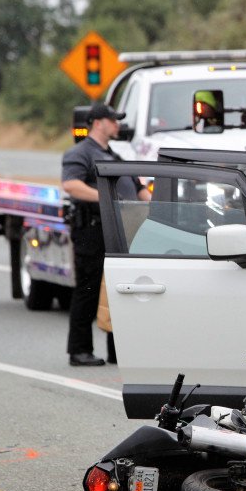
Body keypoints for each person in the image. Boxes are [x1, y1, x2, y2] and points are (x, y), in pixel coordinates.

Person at [61, 102, 149, 366]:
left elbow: (138, 187)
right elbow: (71, 184)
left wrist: (159, 207)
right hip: (92, 230)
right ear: (98, 123)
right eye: (113, 120)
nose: (117, 125)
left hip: (119, 231)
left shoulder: (114, 156)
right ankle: (79, 351)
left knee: (117, 291)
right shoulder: (81, 153)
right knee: (88, 289)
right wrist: (108, 200)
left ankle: (116, 351)